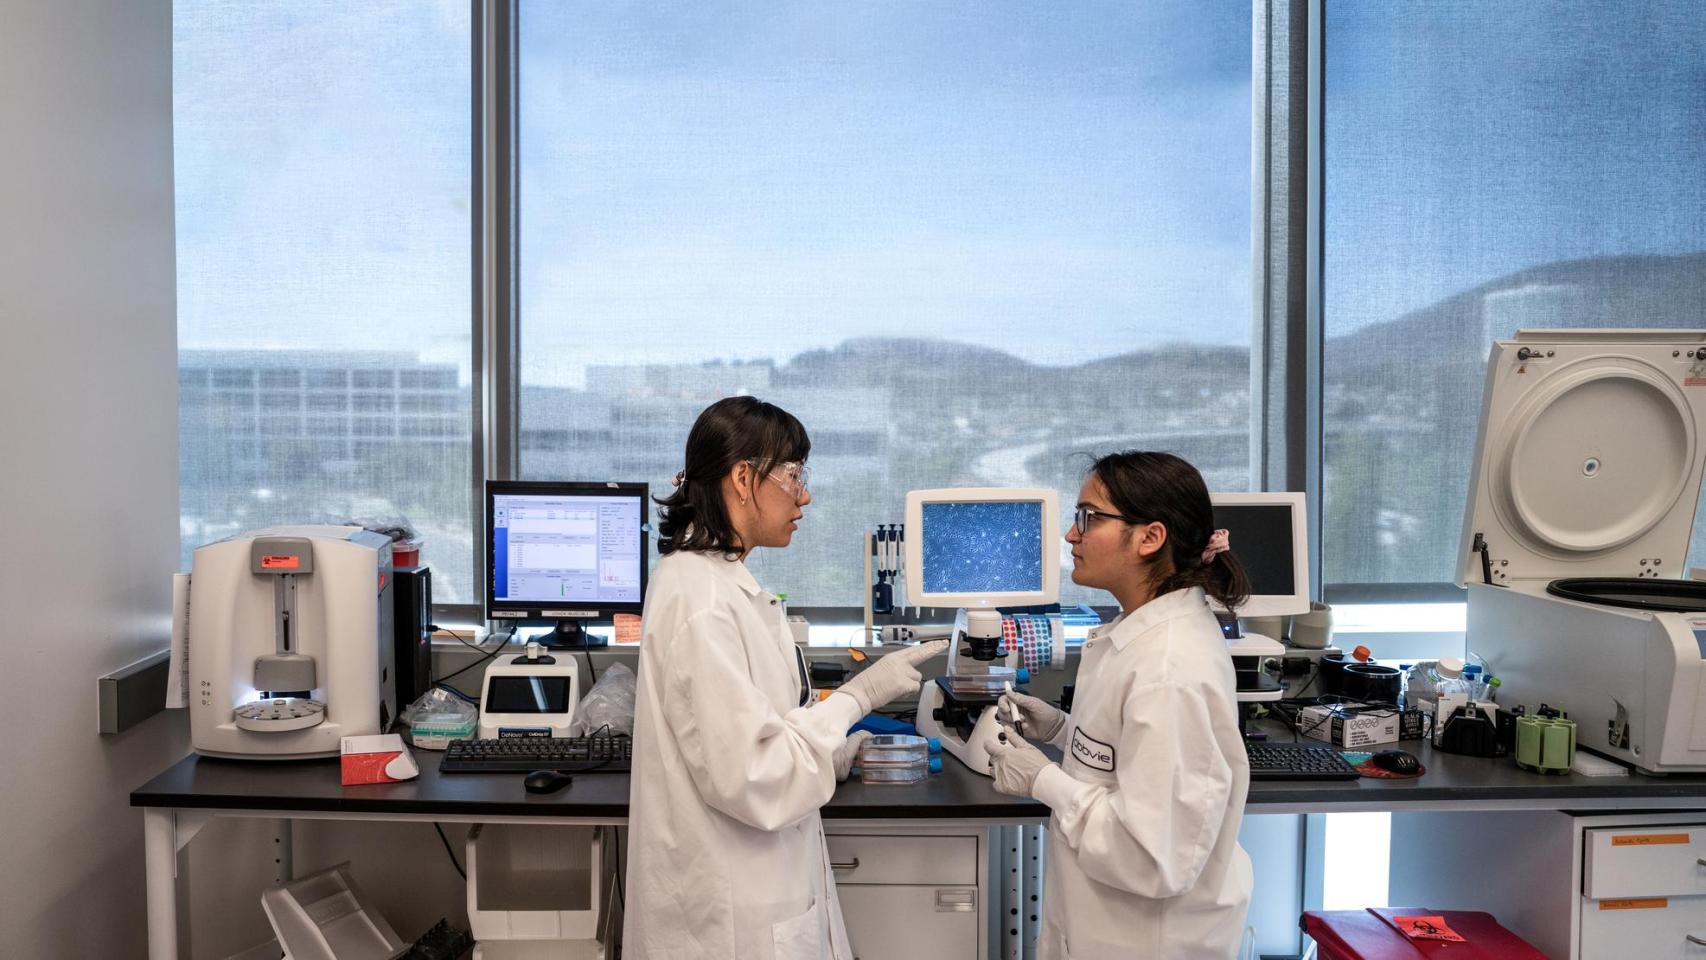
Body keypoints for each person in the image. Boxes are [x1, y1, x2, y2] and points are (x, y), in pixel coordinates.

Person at [623, 396, 948, 960]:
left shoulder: (720, 584)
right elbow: (757, 776)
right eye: (794, 475)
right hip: (729, 918)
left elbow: (756, 730)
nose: (805, 495)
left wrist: (829, 750)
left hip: (750, 888)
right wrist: (858, 696)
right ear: (742, 478)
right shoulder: (702, 601)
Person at [984, 451, 1254, 960]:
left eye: (1089, 518)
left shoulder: (1169, 669)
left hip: (1146, 940)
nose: (1072, 535)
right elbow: (1133, 758)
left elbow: (1149, 856)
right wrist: (1064, 731)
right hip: (1105, 927)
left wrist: (1043, 780)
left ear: (1149, 538)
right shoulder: (1137, 635)